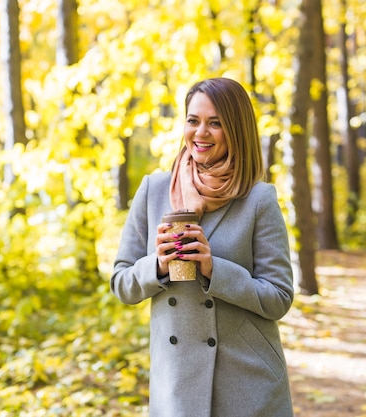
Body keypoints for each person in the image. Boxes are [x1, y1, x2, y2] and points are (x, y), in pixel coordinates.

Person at [111, 77, 294, 417]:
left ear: (236, 129)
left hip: (246, 382)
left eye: (216, 123)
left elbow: (279, 297)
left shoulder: (258, 199)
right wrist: (158, 265)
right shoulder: (154, 190)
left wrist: (215, 270)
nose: (201, 133)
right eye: (193, 120)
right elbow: (121, 283)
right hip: (176, 385)